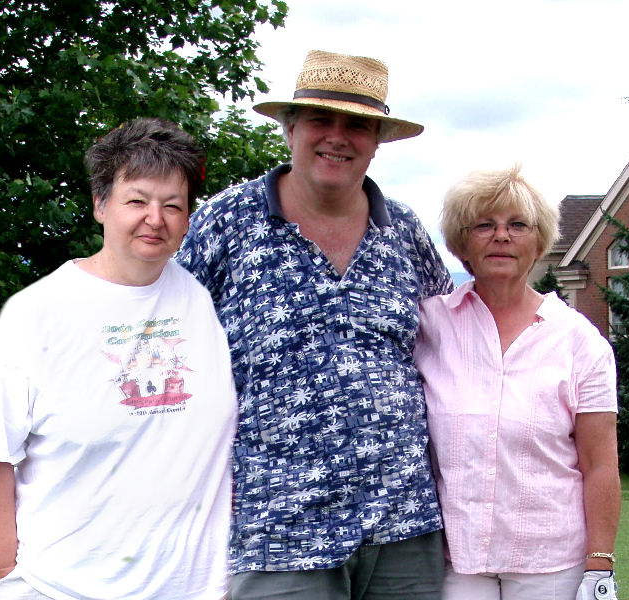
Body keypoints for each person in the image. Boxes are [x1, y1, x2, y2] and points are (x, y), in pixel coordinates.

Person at [177, 50, 452, 599]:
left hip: (404, 526)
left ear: (377, 141)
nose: (338, 137)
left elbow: (455, 342)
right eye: (321, 120)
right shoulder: (225, 222)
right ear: (290, 128)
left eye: (357, 125)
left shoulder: (405, 232)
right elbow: (167, 349)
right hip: (275, 531)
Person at [0, 118, 237, 600]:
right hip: (60, 590)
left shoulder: (206, 302)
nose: (156, 218)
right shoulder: (35, 314)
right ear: (101, 205)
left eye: (173, 205)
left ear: (188, 218)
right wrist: (10, 578)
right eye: (137, 200)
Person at [414, 165, 621, 600]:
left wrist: (599, 567)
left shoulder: (580, 341)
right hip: (457, 561)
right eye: (484, 225)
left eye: (517, 225)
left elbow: (599, 463)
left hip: (551, 564)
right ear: (460, 241)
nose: (502, 236)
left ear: (539, 239)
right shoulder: (428, 326)